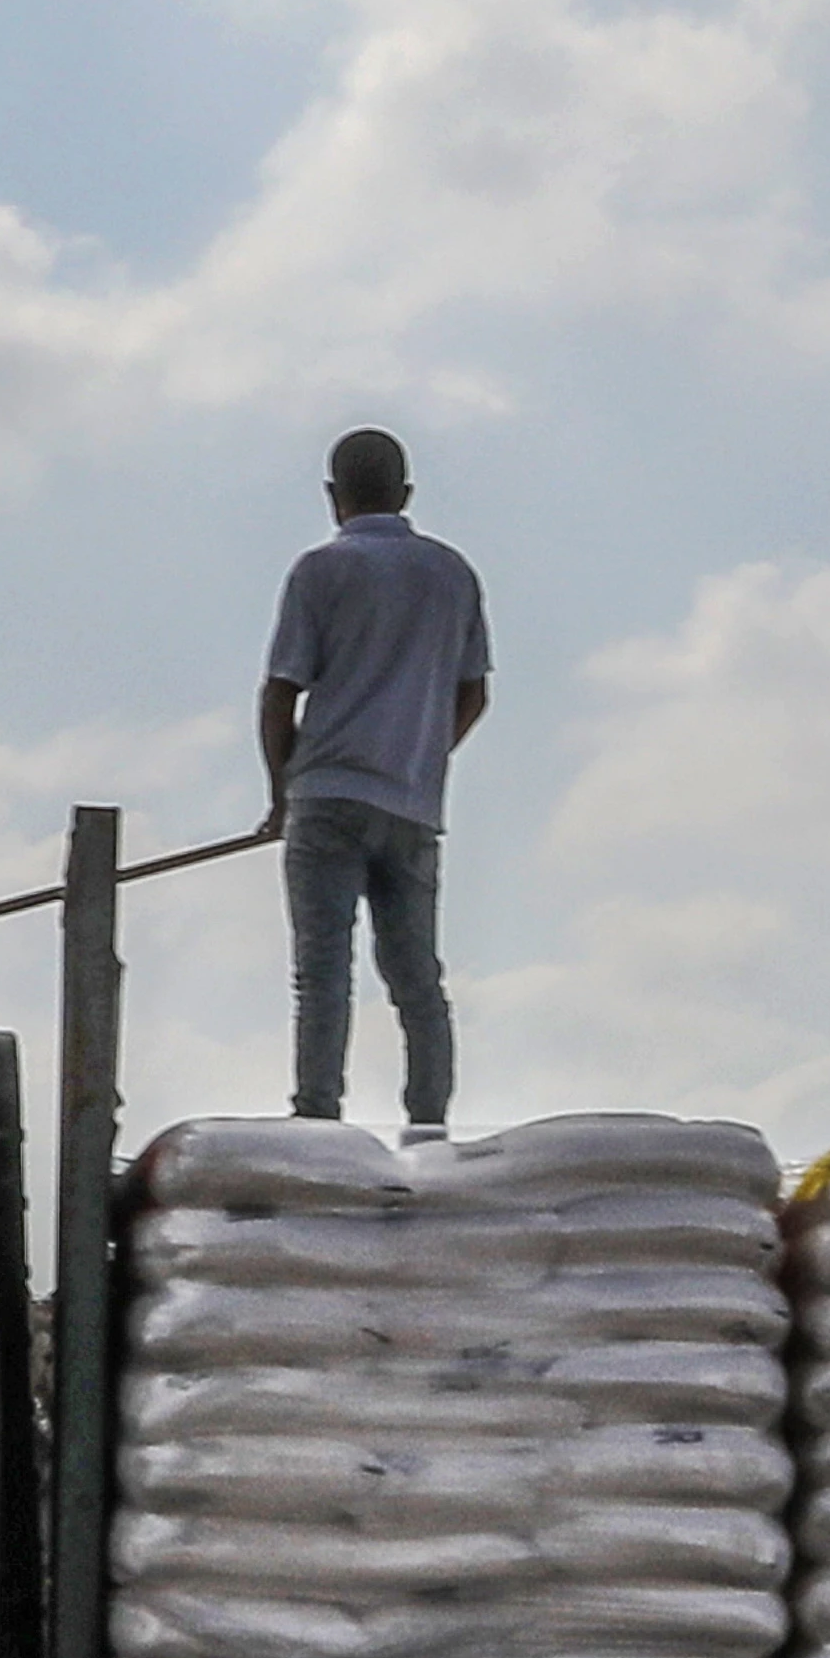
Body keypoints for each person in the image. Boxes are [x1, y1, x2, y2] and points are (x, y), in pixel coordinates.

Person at [259, 428, 490, 1132]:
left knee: (323, 973)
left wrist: (280, 794)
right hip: (412, 805)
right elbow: (473, 691)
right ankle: (428, 1121)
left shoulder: (320, 571)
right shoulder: (452, 574)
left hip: (328, 793)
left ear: (334, 498)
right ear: (406, 494)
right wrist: (420, 754)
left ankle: (318, 1117)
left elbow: (279, 693)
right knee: (417, 977)